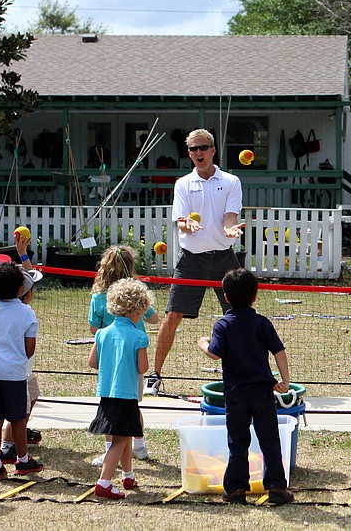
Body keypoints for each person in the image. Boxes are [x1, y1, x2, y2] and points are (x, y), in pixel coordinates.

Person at [145, 128, 245, 396]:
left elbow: (230, 217)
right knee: (172, 316)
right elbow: (181, 220)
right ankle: (154, 375)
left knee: (240, 317)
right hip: (191, 259)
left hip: (224, 258)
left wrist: (230, 230)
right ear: (189, 153)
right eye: (193, 149)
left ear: (213, 150)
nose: (198, 153)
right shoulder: (183, 184)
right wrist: (186, 224)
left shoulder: (231, 181)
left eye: (203, 148)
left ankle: (247, 373)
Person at [197, 268, 294, 505]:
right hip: (262, 391)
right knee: (269, 440)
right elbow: (279, 351)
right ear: (255, 296)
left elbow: (214, 354)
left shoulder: (223, 325)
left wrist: (202, 343)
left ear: (226, 297)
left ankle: (236, 489)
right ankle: (277, 488)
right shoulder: (262, 323)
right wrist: (285, 380)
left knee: (238, 442)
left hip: (236, 393)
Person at [88, 246, 160, 466]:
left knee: (112, 409)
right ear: (130, 267)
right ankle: (138, 446)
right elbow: (155, 318)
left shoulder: (99, 297)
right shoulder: (136, 294)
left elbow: (93, 328)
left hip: (110, 362)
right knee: (132, 405)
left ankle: (116, 449)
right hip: (131, 359)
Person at [0, 262, 44, 480]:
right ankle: (22, 461)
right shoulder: (26, 312)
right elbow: (29, 349)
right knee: (18, 420)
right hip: (14, 373)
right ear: (20, 288)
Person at [87, 278, 152, 500]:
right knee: (121, 440)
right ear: (139, 310)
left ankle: (128, 474)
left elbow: (93, 362)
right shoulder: (139, 336)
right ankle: (104, 482)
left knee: (124, 436)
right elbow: (143, 367)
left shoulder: (102, 333)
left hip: (107, 394)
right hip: (127, 395)